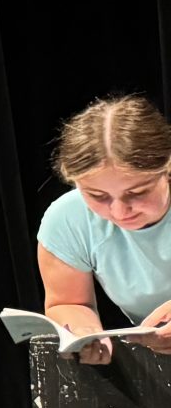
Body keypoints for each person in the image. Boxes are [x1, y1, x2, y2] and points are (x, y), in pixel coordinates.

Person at [35, 95, 171, 361]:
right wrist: (84, 332)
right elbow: (67, 302)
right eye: (97, 196)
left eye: (137, 192)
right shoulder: (68, 219)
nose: (119, 212)